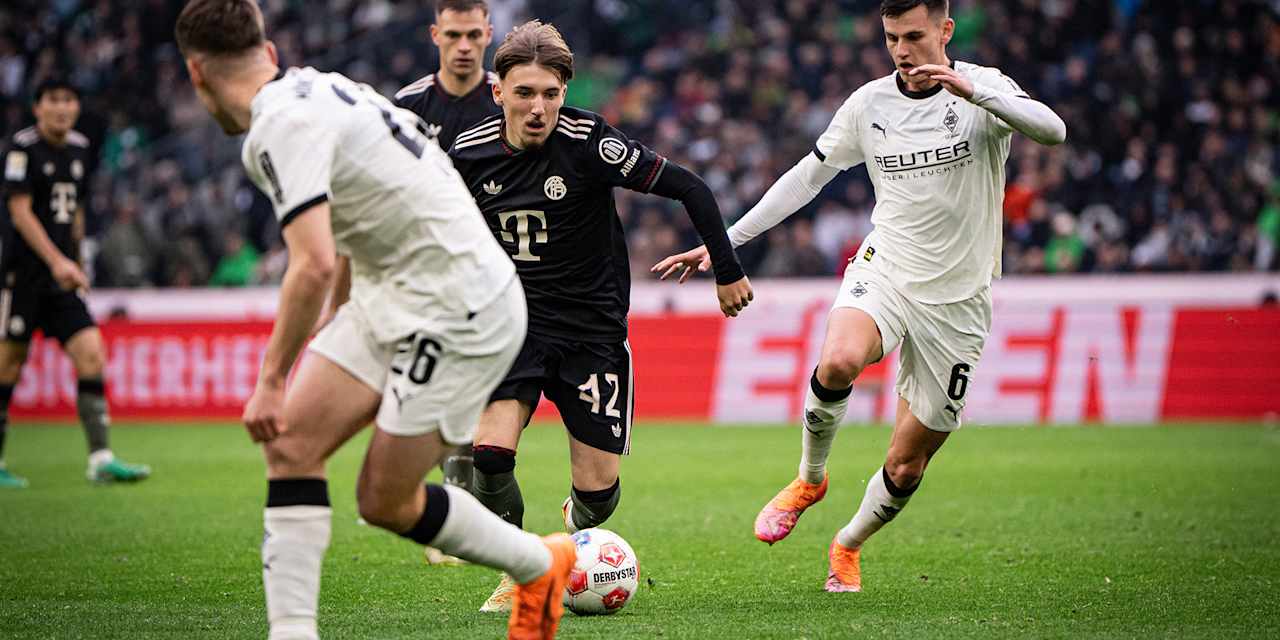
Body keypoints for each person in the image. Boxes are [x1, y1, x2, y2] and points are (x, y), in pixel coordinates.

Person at [174, 2, 573, 638]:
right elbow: (361, 222)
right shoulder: (322, 87)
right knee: (292, 445)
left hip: (462, 304)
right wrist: (337, 328)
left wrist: (272, 379)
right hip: (394, 291)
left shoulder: (276, 128)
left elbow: (309, 264)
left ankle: (537, 562)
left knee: (383, 500)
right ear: (269, 54)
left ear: (196, 76)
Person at [653, 0, 1066, 592]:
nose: (902, 49)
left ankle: (847, 543)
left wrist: (970, 90)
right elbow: (805, 178)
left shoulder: (984, 91)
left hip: (959, 299)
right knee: (840, 359)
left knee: (906, 463)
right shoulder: (869, 105)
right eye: (892, 37)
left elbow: (1054, 132)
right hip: (888, 267)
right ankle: (810, 478)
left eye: (915, 36)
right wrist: (724, 243)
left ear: (945, 31)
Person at [448, 20, 753, 612]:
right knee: (488, 456)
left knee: (599, 493)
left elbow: (690, 187)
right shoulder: (465, 155)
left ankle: (572, 529)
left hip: (592, 333)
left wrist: (727, 268)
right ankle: (523, 568)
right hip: (511, 327)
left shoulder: (590, 141)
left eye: (551, 94)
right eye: (524, 93)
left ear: (565, 92)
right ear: (497, 92)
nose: (539, 108)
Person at [0, 77, 151, 488]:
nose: (62, 108)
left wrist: (78, 260)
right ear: (38, 107)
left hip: (63, 277)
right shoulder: (22, 149)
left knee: (91, 354)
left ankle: (100, 459)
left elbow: (77, 212)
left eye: (69, 100)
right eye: (54, 100)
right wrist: (56, 261)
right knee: (8, 365)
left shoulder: (82, 149)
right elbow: (20, 213)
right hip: (24, 276)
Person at [393, 0, 503, 566]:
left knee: (487, 396)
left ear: (488, 34)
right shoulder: (408, 106)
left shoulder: (507, 98)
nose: (463, 45)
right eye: (453, 34)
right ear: (436, 34)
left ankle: (464, 510)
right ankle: (458, 510)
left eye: (473, 34)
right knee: (443, 389)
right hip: (429, 270)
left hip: (499, 270)